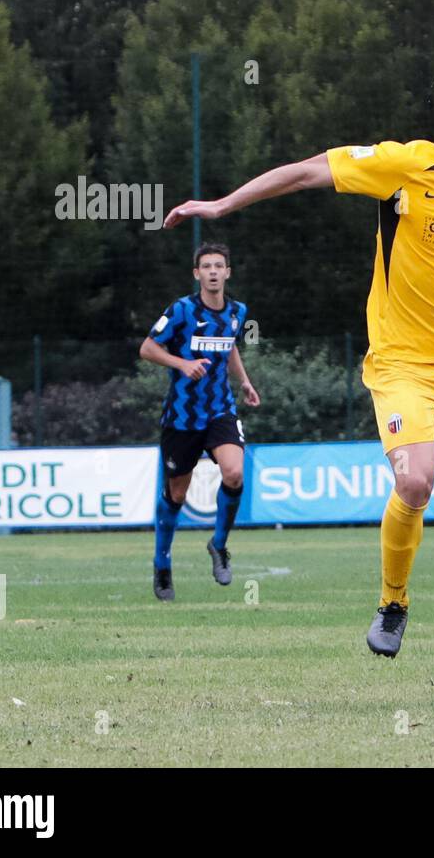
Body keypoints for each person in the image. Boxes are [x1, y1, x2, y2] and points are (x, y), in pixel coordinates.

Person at [163, 65, 434, 656]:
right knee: (416, 480)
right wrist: (223, 206)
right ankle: (393, 604)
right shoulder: (406, 165)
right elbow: (307, 171)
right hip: (403, 364)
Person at [139, 243, 258, 601]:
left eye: (219, 265)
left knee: (234, 473)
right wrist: (182, 364)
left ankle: (218, 545)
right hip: (182, 415)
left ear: (227, 272)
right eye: (206, 266)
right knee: (177, 493)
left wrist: (245, 381)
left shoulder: (237, 311)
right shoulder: (182, 310)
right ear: (196, 273)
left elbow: (230, 345)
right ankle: (162, 564)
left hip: (220, 410)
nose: (212, 271)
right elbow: (147, 348)